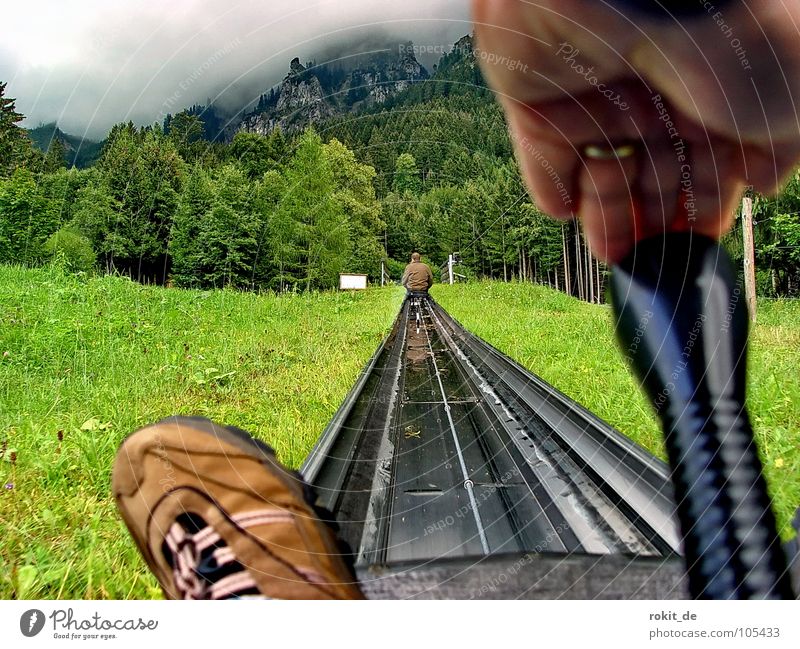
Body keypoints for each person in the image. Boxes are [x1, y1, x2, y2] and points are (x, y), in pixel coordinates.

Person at [113, 0, 800, 599]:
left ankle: (279, 609)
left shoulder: (411, 271)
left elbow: (423, 283)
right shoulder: (425, 271)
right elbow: (431, 282)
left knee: (413, 316)